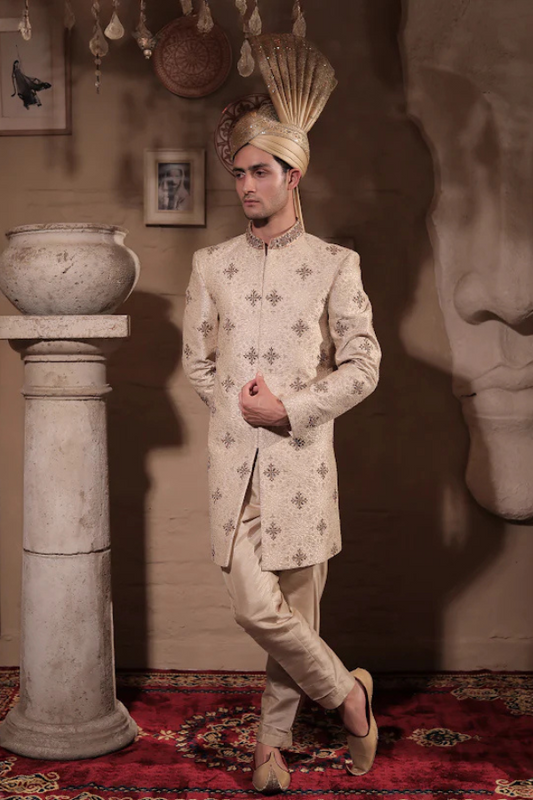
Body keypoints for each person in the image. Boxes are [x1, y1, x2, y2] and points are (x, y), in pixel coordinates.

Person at [182, 33, 381, 793]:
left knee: (295, 616)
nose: (246, 186)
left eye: (259, 172)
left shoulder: (334, 265)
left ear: (294, 174)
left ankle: (270, 747)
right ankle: (349, 697)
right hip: (233, 471)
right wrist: (238, 413)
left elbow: (363, 365)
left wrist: (288, 410)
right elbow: (197, 361)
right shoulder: (212, 266)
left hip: (301, 467)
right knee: (255, 606)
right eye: (238, 173)